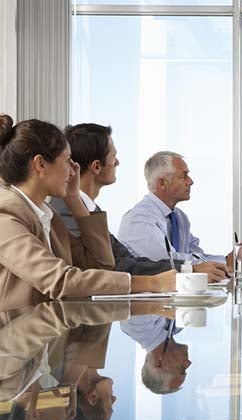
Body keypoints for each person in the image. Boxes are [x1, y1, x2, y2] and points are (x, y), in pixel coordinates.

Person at [0, 115, 175, 313]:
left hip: (47, 337)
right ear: (40, 165)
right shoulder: (5, 216)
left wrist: (74, 199)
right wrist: (152, 283)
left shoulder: (49, 216)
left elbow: (101, 266)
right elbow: (59, 280)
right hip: (14, 339)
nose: (73, 171)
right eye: (67, 161)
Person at [50, 123, 228, 281]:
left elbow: (126, 259)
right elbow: (109, 267)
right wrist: (189, 270)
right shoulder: (67, 209)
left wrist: (193, 268)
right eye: (114, 156)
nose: (118, 162)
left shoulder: (90, 208)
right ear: (96, 166)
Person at [118, 151, 231, 269]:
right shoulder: (138, 219)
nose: (190, 182)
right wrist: (224, 263)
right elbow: (169, 262)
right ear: (162, 183)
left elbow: (196, 256)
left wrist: (225, 261)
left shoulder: (180, 217)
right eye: (184, 176)